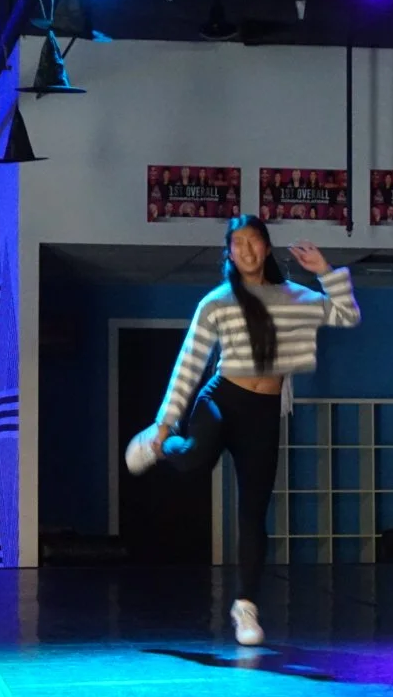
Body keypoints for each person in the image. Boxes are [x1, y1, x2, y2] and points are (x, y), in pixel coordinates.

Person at [124, 215, 361, 646]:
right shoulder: (216, 302)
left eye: (253, 241)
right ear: (229, 253)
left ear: (267, 248)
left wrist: (326, 271)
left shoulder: (295, 297)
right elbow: (190, 363)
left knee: (253, 511)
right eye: (237, 243)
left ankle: (246, 606)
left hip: (263, 410)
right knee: (195, 458)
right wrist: (164, 423)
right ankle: (160, 447)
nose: (246, 249)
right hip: (222, 397)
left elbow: (346, 315)